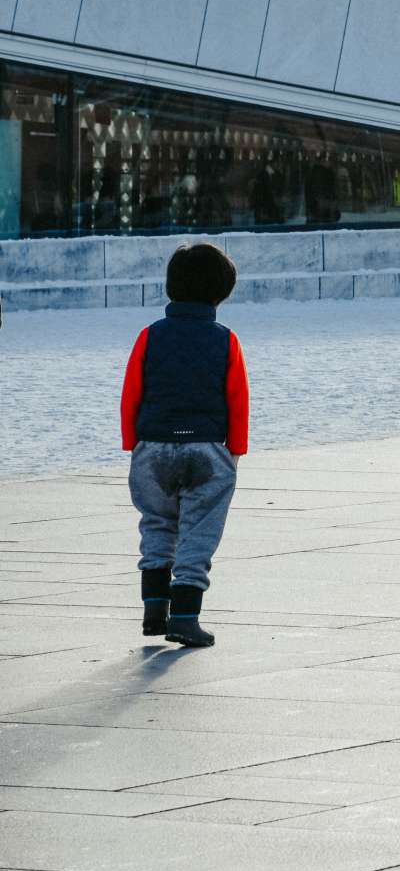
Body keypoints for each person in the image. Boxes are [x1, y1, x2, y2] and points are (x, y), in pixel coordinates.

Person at [121, 243, 248, 648]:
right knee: (198, 532)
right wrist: (235, 450)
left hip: (153, 448)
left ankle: (155, 609)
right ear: (219, 293)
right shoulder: (226, 340)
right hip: (207, 448)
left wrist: (133, 442)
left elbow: (132, 394)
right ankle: (186, 617)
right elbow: (237, 400)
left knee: (156, 524)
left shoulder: (149, 336)